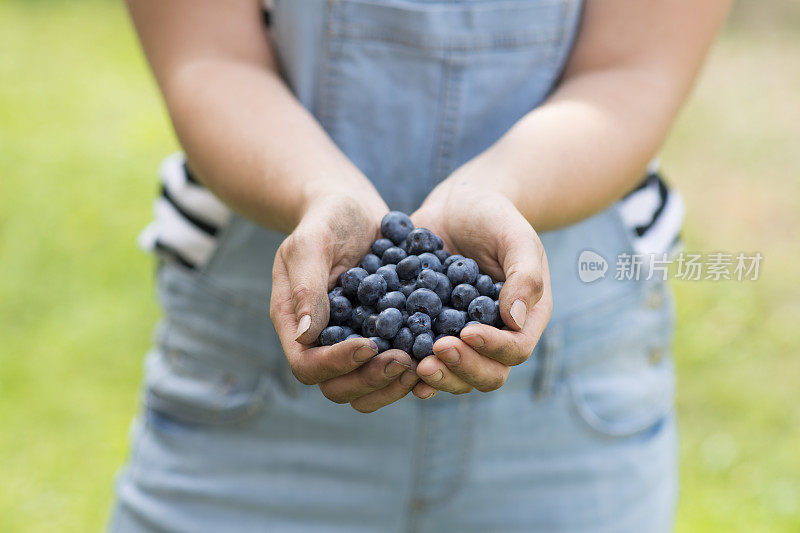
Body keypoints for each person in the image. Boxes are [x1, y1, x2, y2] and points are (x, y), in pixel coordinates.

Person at [110, 0, 730, 531]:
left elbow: (632, 73)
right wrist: (319, 192)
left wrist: (501, 188)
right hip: (249, 387)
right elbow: (209, 60)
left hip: (571, 395)